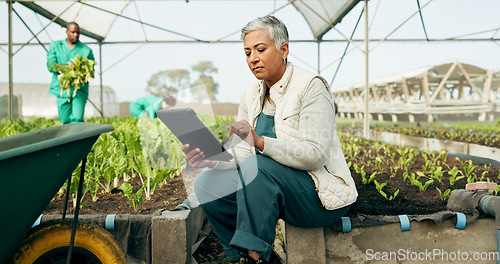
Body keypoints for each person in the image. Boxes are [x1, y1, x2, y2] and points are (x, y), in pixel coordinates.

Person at [182, 16, 357, 263]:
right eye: (247, 52)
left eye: (260, 49)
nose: (253, 58)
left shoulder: (310, 87)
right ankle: (242, 255)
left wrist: (261, 143)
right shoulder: (252, 94)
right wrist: (213, 160)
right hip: (268, 188)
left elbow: (316, 154)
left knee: (258, 167)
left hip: (316, 195)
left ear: (283, 49)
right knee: (207, 184)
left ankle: (254, 257)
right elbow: (242, 154)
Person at [47, 22, 95, 124]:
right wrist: (69, 68)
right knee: (65, 119)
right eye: (73, 32)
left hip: (79, 90)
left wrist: (83, 72)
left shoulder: (86, 50)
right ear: (67, 32)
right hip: (62, 89)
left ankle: (77, 139)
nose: (76, 35)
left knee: (77, 119)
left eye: (78, 32)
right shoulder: (56, 46)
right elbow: (51, 65)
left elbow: (91, 70)